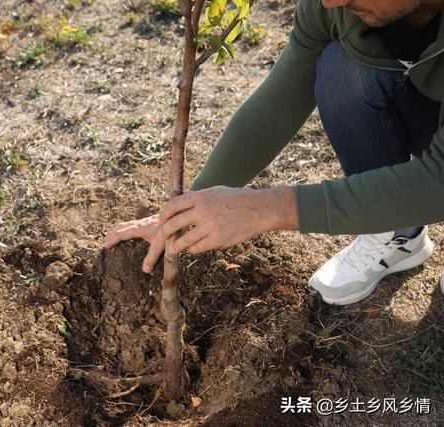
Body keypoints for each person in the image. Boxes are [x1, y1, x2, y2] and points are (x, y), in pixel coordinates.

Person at [103, 0, 444, 306]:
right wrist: (185, 210)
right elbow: (276, 106)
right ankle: (397, 232)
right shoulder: (334, 6)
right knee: (344, 68)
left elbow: (438, 183)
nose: (331, 1)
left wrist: (264, 208)